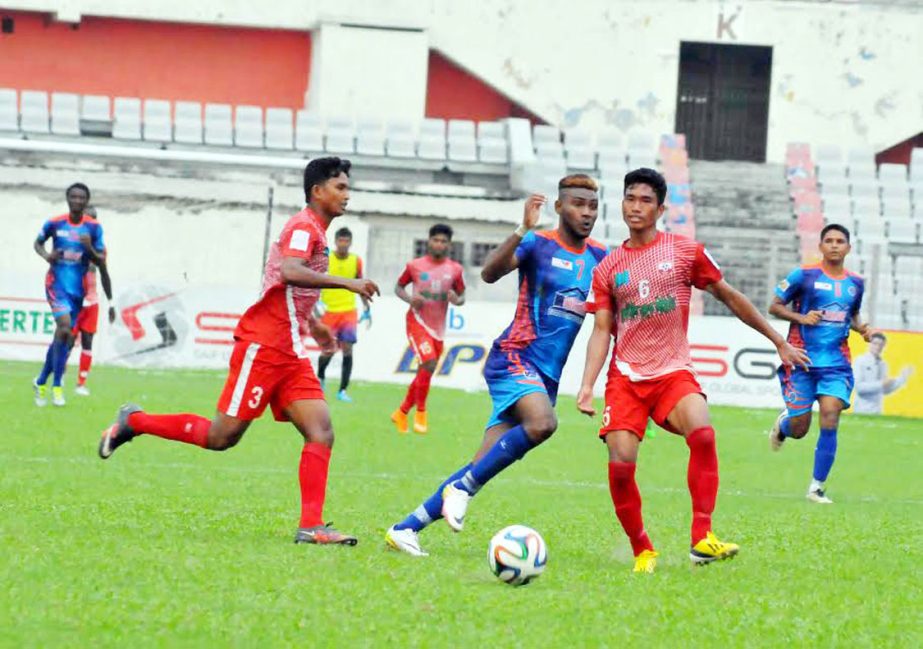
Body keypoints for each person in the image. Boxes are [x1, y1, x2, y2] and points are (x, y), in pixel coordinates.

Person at [97, 157, 380, 545]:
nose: (347, 195)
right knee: (221, 437)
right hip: (264, 346)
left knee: (321, 430)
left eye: (348, 187)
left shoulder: (316, 230)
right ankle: (135, 421)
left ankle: (311, 526)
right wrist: (345, 283)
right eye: (340, 187)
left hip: (291, 349)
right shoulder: (303, 227)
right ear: (318, 191)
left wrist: (313, 324)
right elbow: (291, 272)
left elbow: (293, 287)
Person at [577, 168, 810, 574]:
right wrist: (586, 386)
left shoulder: (685, 252)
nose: (636, 206)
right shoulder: (607, 268)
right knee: (621, 463)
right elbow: (600, 330)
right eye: (630, 198)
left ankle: (701, 538)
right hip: (626, 380)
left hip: (672, 373)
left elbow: (730, 296)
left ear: (661, 208)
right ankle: (642, 549)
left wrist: (778, 340)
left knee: (703, 432)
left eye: (646, 200)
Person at [385, 174, 608, 557]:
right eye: (577, 203)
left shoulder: (599, 257)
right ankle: (463, 489)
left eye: (592, 206)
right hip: (514, 356)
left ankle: (406, 528)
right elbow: (489, 273)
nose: (586, 212)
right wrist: (522, 228)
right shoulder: (538, 244)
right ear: (558, 207)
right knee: (543, 423)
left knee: (482, 462)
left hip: (545, 376)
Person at [768, 224, 872, 503]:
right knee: (800, 428)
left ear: (848, 248)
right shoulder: (803, 275)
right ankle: (784, 425)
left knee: (830, 415)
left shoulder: (856, 283)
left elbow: (853, 314)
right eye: (829, 240)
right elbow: (774, 306)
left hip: (836, 364)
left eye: (840, 241)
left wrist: (862, 328)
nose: (835, 245)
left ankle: (817, 487)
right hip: (801, 360)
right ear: (821, 246)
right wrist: (802, 318)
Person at [32, 183, 106, 408]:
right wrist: (47, 255)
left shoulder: (93, 228)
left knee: (64, 337)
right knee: (64, 328)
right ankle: (57, 386)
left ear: (86, 201)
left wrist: (89, 248)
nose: (77, 201)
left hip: (78, 290)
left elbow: (100, 260)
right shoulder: (55, 222)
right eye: (73, 197)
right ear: (67, 199)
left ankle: (41, 380)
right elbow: (38, 242)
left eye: (81, 197)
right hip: (56, 284)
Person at [390, 224, 466, 434]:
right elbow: (398, 287)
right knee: (429, 362)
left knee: (427, 370)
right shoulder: (414, 265)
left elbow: (462, 297)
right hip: (417, 322)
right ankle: (421, 413)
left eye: (443, 241)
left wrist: (456, 299)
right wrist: (409, 298)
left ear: (449, 245)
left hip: (438, 327)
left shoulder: (455, 270)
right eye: (436, 240)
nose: (439, 244)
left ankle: (402, 412)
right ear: (429, 241)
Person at [317, 226, 371, 403]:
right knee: (329, 350)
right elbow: (315, 279)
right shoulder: (327, 258)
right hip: (329, 311)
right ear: (335, 241)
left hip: (348, 311)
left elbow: (360, 285)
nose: (343, 244)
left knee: (348, 349)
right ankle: (321, 378)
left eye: (346, 241)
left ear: (350, 243)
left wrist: (366, 308)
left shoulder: (356, 261)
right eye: (340, 240)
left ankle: (342, 391)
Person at [70, 205, 117, 396]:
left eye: (94, 219)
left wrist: (111, 303)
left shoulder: (99, 248)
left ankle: (81, 384)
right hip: (73, 300)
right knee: (67, 340)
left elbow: (104, 274)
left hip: (92, 301)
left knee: (88, 341)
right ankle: (56, 379)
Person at [852, 332, 913, 414]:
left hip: (877, 411)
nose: (878, 347)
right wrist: (881, 384)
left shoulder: (883, 364)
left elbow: (885, 391)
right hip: (861, 410)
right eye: (875, 343)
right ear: (869, 344)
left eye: (881, 345)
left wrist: (902, 379)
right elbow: (859, 388)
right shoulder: (860, 361)